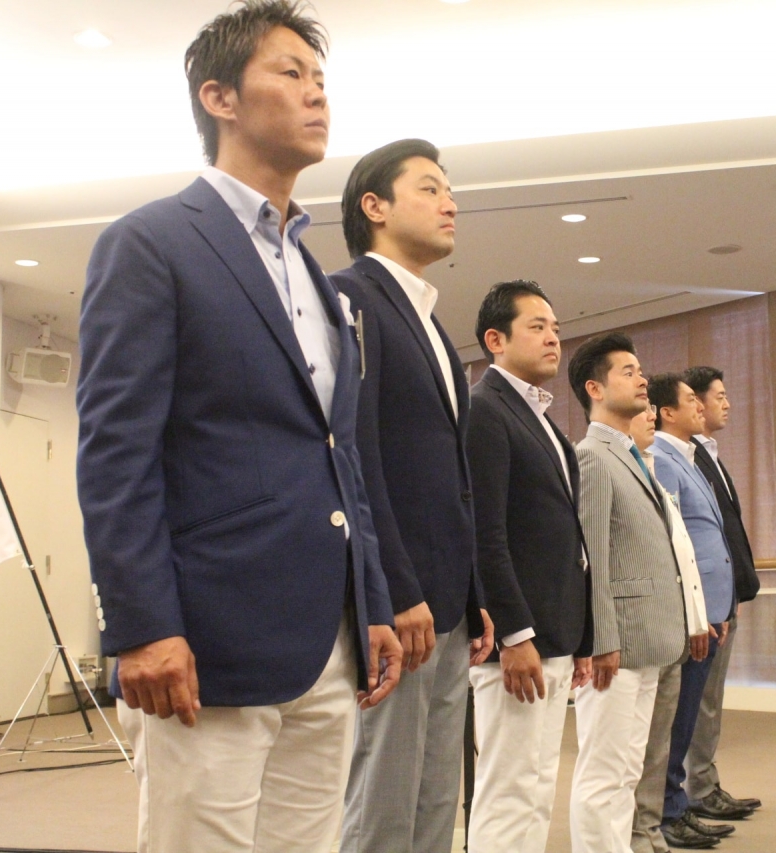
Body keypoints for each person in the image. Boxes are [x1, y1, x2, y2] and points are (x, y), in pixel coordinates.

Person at [75, 4, 401, 850]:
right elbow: (116, 454)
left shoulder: (319, 277)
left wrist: (369, 599)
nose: (317, 94)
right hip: (206, 638)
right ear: (219, 98)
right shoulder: (150, 243)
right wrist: (142, 624)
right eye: (291, 73)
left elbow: (339, 454)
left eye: (321, 79)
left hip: (328, 637)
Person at [331, 139, 495, 853]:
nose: (449, 202)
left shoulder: (430, 322)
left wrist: (475, 589)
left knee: (435, 797)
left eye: (448, 190)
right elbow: (356, 455)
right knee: (384, 799)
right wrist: (394, 587)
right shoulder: (350, 299)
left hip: (448, 599)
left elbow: (452, 478)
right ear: (375, 206)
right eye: (429, 188)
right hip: (401, 602)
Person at [464, 281, 592, 852]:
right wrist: (513, 634)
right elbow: (484, 533)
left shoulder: (542, 417)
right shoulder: (484, 409)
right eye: (537, 327)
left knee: (539, 784)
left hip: (555, 632)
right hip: (518, 641)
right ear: (495, 340)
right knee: (509, 787)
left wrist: (581, 637)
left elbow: (568, 539)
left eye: (556, 328)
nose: (552, 338)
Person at [568, 333, 691, 853]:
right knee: (604, 774)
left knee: (626, 773)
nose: (642, 379)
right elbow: (591, 558)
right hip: (615, 645)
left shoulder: (633, 455)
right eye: (627, 371)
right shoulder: (592, 456)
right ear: (594, 388)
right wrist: (600, 638)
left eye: (641, 370)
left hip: (647, 639)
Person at [647, 374, 736, 849]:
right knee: (678, 720)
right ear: (667, 412)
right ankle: (669, 810)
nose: (701, 407)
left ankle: (677, 804)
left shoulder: (689, 456)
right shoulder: (662, 459)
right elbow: (673, 541)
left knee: (685, 719)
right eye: (690, 401)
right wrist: (695, 612)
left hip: (710, 607)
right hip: (690, 614)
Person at [629, 407, 715, 852]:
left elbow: (683, 551)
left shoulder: (654, 468)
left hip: (673, 628)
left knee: (661, 743)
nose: (649, 417)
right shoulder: (600, 460)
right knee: (628, 756)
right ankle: (645, 826)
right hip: (635, 631)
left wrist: (696, 617)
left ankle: (651, 829)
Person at [681, 366, 762, 820]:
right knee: (700, 701)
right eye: (719, 396)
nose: (727, 404)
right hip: (704, 600)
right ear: (695, 402)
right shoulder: (685, 456)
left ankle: (705, 783)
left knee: (710, 700)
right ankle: (697, 790)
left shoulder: (709, 454)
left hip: (722, 595)